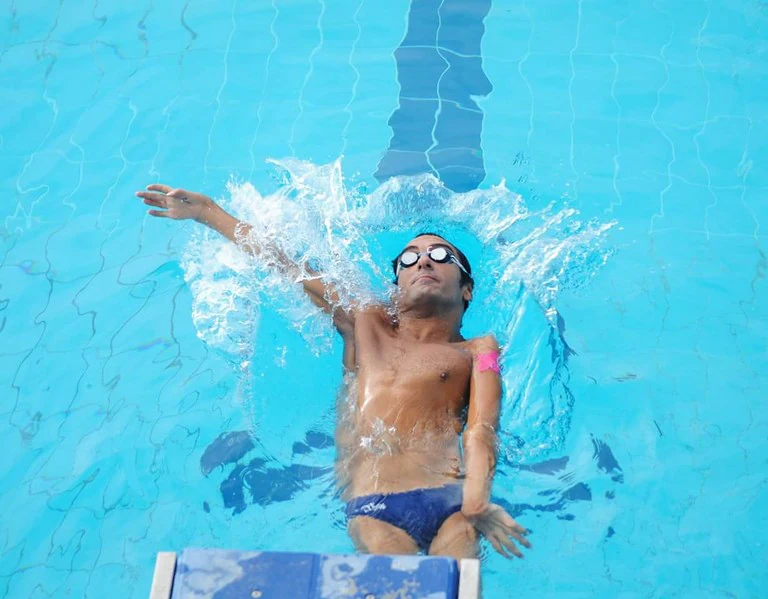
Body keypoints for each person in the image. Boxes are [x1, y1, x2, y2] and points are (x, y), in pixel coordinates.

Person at [136, 184, 531, 560]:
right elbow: (286, 266)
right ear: (396, 286)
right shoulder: (364, 323)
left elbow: (481, 428)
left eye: (442, 256)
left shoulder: (480, 351)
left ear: (467, 289)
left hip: (451, 501)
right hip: (374, 504)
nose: (424, 260)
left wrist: (477, 500)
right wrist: (208, 212)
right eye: (409, 259)